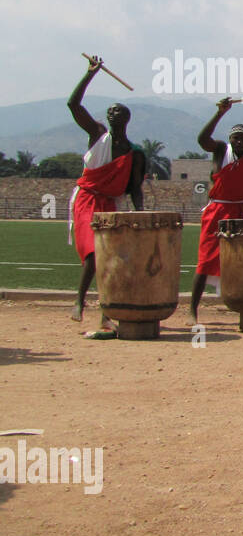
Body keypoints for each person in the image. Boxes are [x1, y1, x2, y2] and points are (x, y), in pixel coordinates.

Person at [67, 55, 146, 332]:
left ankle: (106, 311)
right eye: (110, 112)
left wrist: (140, 214)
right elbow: (73, 105)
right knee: (93, 252)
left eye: (118, 113)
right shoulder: (97, 134)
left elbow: (135, 187)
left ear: (127, 119)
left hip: (110, 202)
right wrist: (89, 74)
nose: (112, 115)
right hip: (88, 198)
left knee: (111, 257)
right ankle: (79, 301)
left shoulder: (134, 153)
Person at [189, 99, 243, 323]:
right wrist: (219, 113)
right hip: (216, 209)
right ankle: (192, 310)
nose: (240, 141)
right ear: (230, 139)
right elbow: (202, 139)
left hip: (241, 211)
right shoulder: (221, 151)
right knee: (205, 261)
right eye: (236, 137)